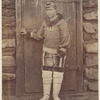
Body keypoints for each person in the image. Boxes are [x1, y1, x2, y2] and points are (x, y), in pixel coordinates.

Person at [20, 1, 70, 100]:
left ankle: (55, 96)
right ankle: (46, 95)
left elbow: (66, 36)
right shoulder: (45, 22)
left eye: (50, 10)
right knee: (46, 73)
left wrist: (63, 48)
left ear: (55, 10)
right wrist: (28, 33)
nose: (48, 12)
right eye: (47, 10)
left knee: (58, 74)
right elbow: (39, 35)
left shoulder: (62, 22)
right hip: (47, 52)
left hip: (58, 53)